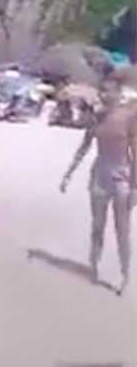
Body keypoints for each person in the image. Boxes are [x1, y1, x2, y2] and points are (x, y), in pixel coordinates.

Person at [60, 72, 137, 295]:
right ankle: (93, 267)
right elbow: (84, 147)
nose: (105, 95)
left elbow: (135, 152)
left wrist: (134, 186)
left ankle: (125, 275)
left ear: (118, 93)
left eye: (110, 90)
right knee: (97, 225)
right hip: (100, 172)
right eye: (103, 90)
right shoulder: (97, 117)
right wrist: (68, 174)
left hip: (121, 173)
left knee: (122, 229)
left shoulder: (128, 117)